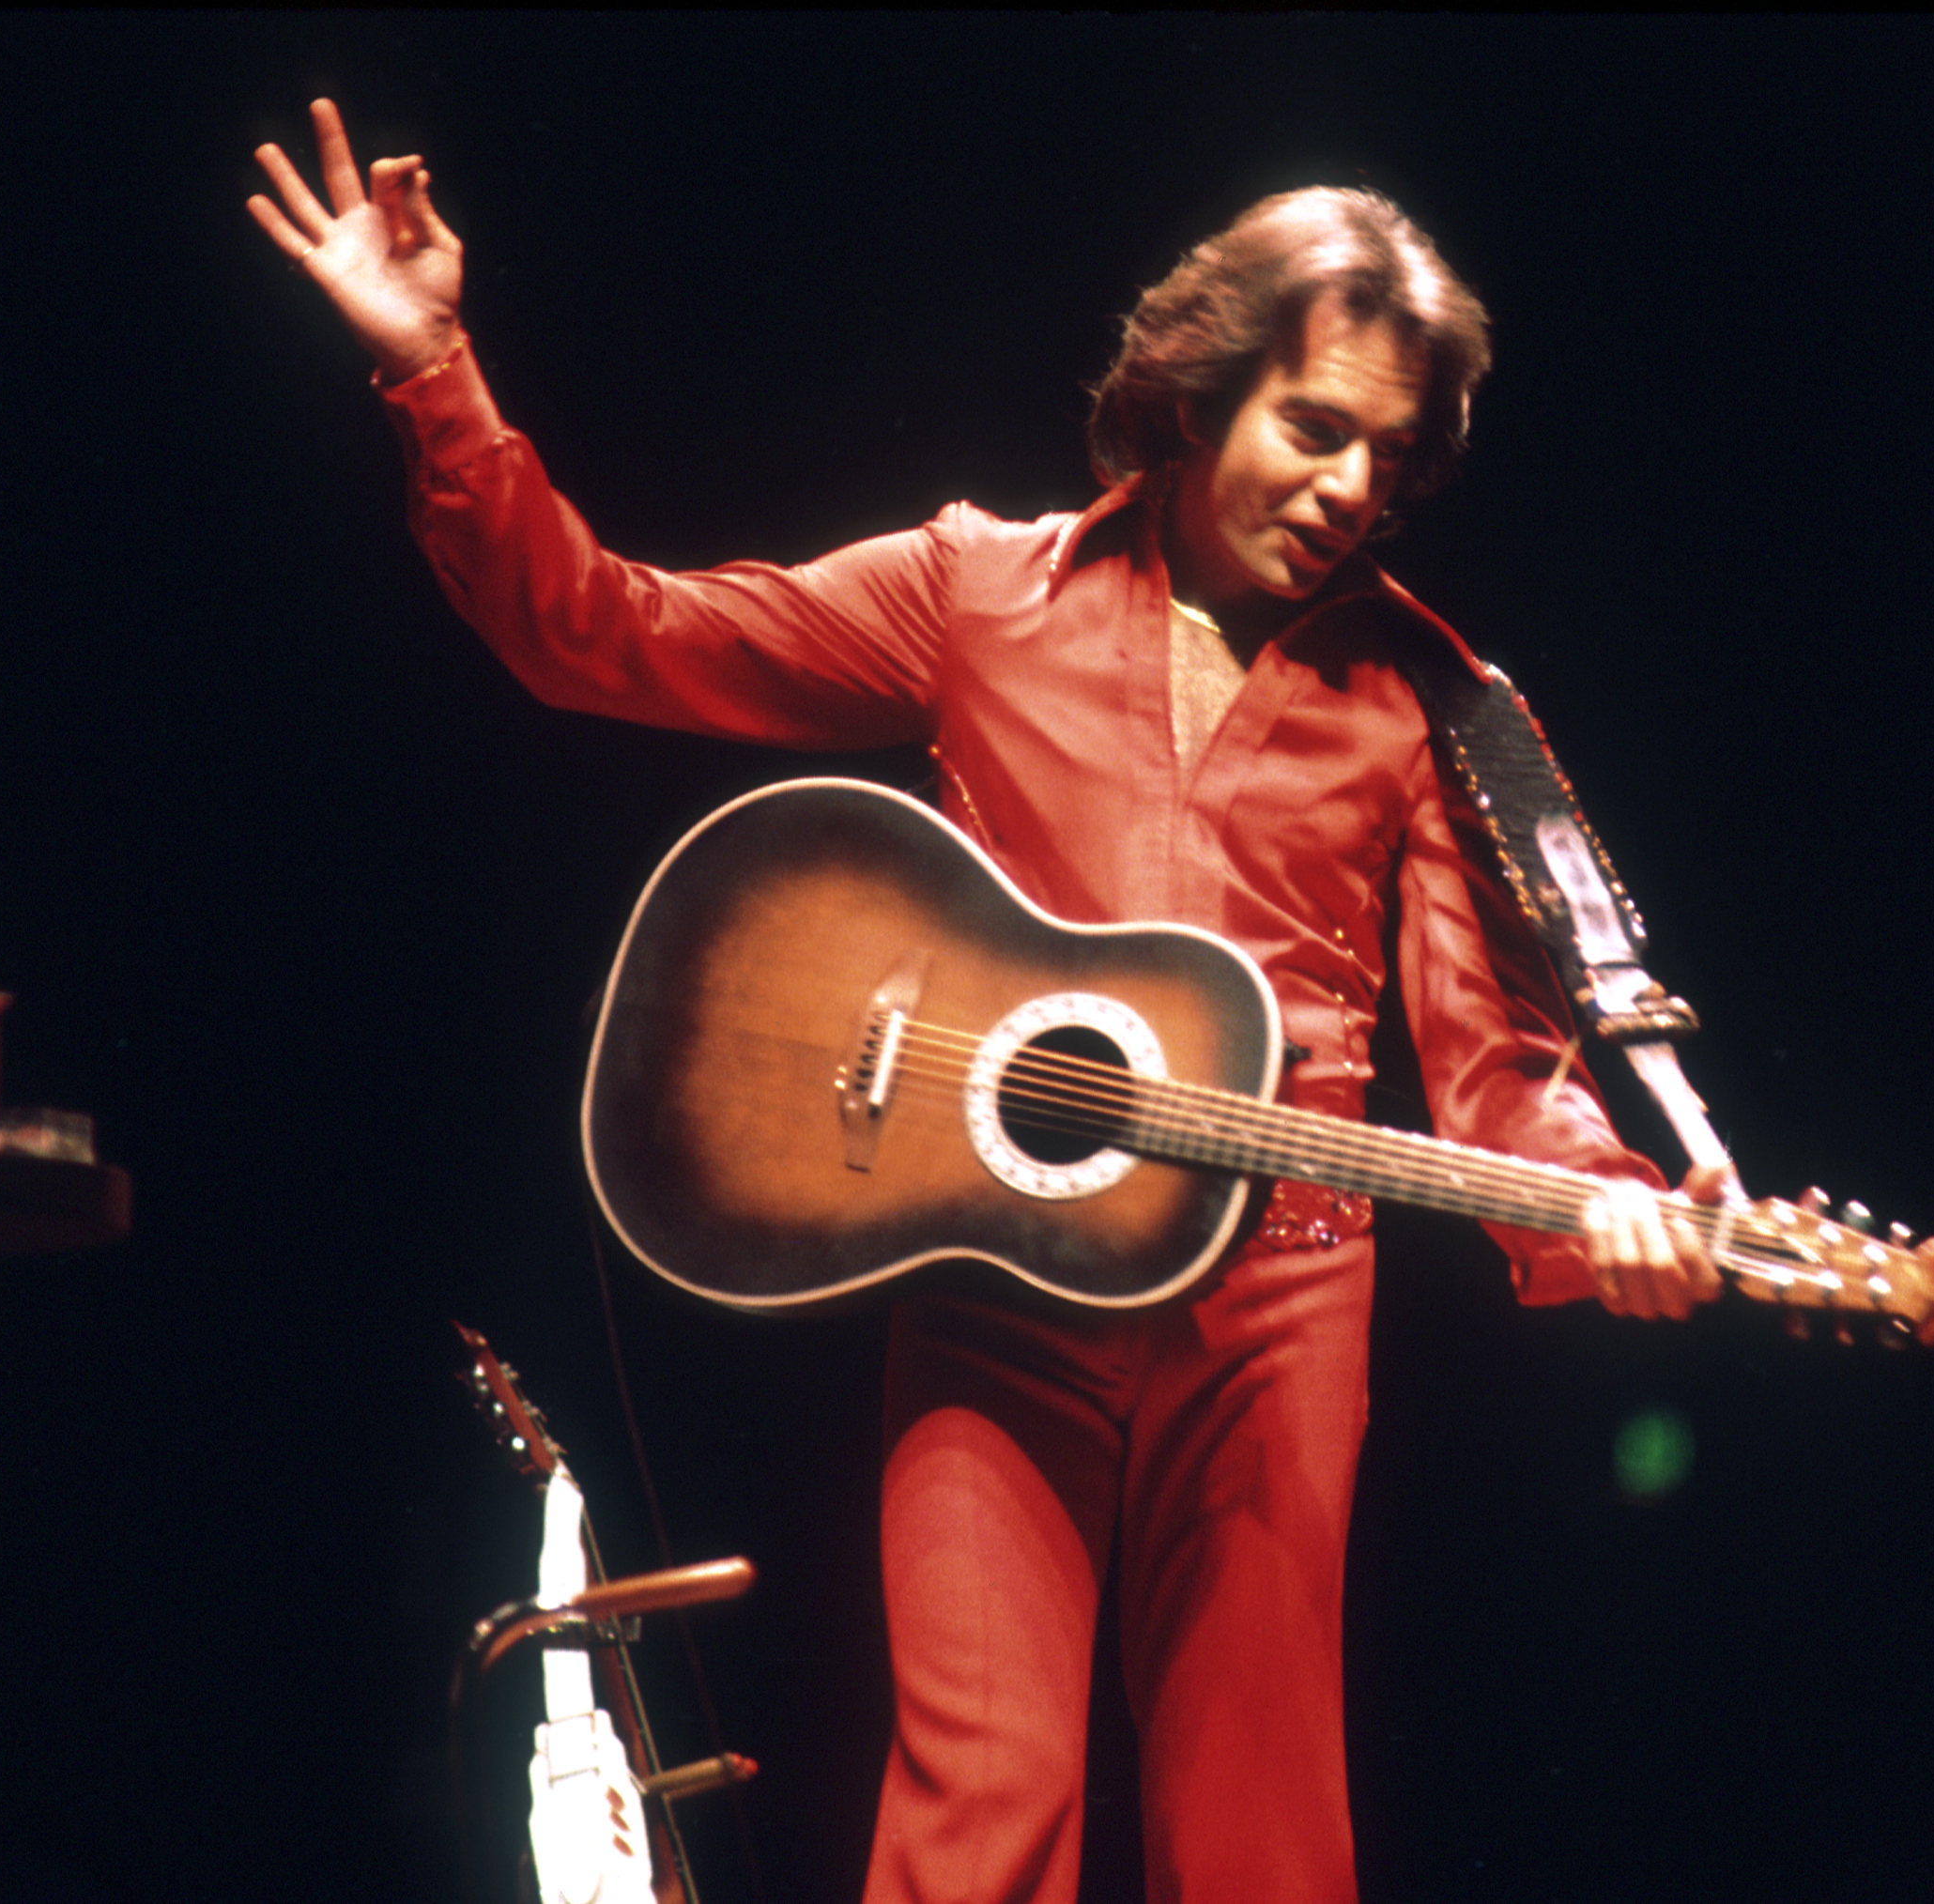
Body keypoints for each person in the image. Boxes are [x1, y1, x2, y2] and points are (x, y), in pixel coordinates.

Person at [251, 98, 1723, 1904]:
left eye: (1391, 464)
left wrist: (1619, 1211)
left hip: (1282, 1295)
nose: (1349, 491)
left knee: (1261, 1842)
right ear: (1197, 397)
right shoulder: (982, 592)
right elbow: (606, 632)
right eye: (1314, 428)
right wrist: (437, 373)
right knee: (976, 1824)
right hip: (999, 1286)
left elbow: (1502, 1072)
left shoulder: (1430, 700)